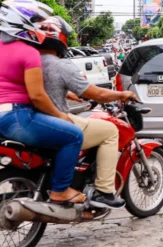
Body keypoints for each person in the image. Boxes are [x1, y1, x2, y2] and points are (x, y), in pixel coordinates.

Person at [0, 0, 86, 204]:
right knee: (74, 135)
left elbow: (11, 81)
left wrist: (67, 94)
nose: (39, 26)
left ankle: (30, 182)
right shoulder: (29, 52)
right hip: (13, 118)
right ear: (22, 22)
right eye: (35, 20)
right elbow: (37, 96)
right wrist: (61, 116)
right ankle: (60, 190)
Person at [37, 16, 139, 208]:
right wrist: (122, 94)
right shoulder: (61, 65)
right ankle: (104, 191)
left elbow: (39, 89)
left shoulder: (30, 62)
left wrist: (66, 94)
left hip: (32, 120)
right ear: (61, 40)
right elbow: (98, 93)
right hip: (55, 122)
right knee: (110, 131)